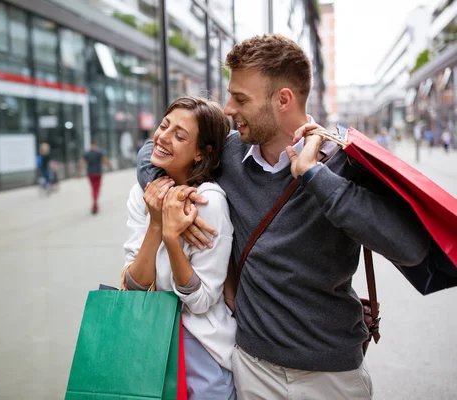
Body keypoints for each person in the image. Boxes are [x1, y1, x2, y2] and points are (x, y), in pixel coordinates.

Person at [136, 34, 430, 399]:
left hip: (333, 375)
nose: (228, 109)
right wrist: (166, 192)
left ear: (284, 100)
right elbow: (153, 149)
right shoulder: (230, 154)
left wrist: (313, 176)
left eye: (241, 99)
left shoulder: (344, 161)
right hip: (251, 368)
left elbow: (410, 247)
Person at [123, 96, 236, 399]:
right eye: (164, 126)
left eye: (179, 135)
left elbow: (201, 301)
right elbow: (134, 286)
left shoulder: (208, 202)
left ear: (201, 153)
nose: (162, 137)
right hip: (149, 346)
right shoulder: (142, 194)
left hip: (202, 355)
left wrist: (172, 239)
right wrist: (157, 224)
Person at [78, 139, 113, 214]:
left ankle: (95, 204)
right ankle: (95, 204)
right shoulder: (99, 152)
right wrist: (110, 167)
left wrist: (79, 173)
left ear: (90, 145)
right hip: (98, 173)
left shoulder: (87, 153)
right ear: (95, 144)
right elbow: (105, 160)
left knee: (93, 189)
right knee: (96, 189)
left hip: (90, 174)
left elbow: (82, 162)